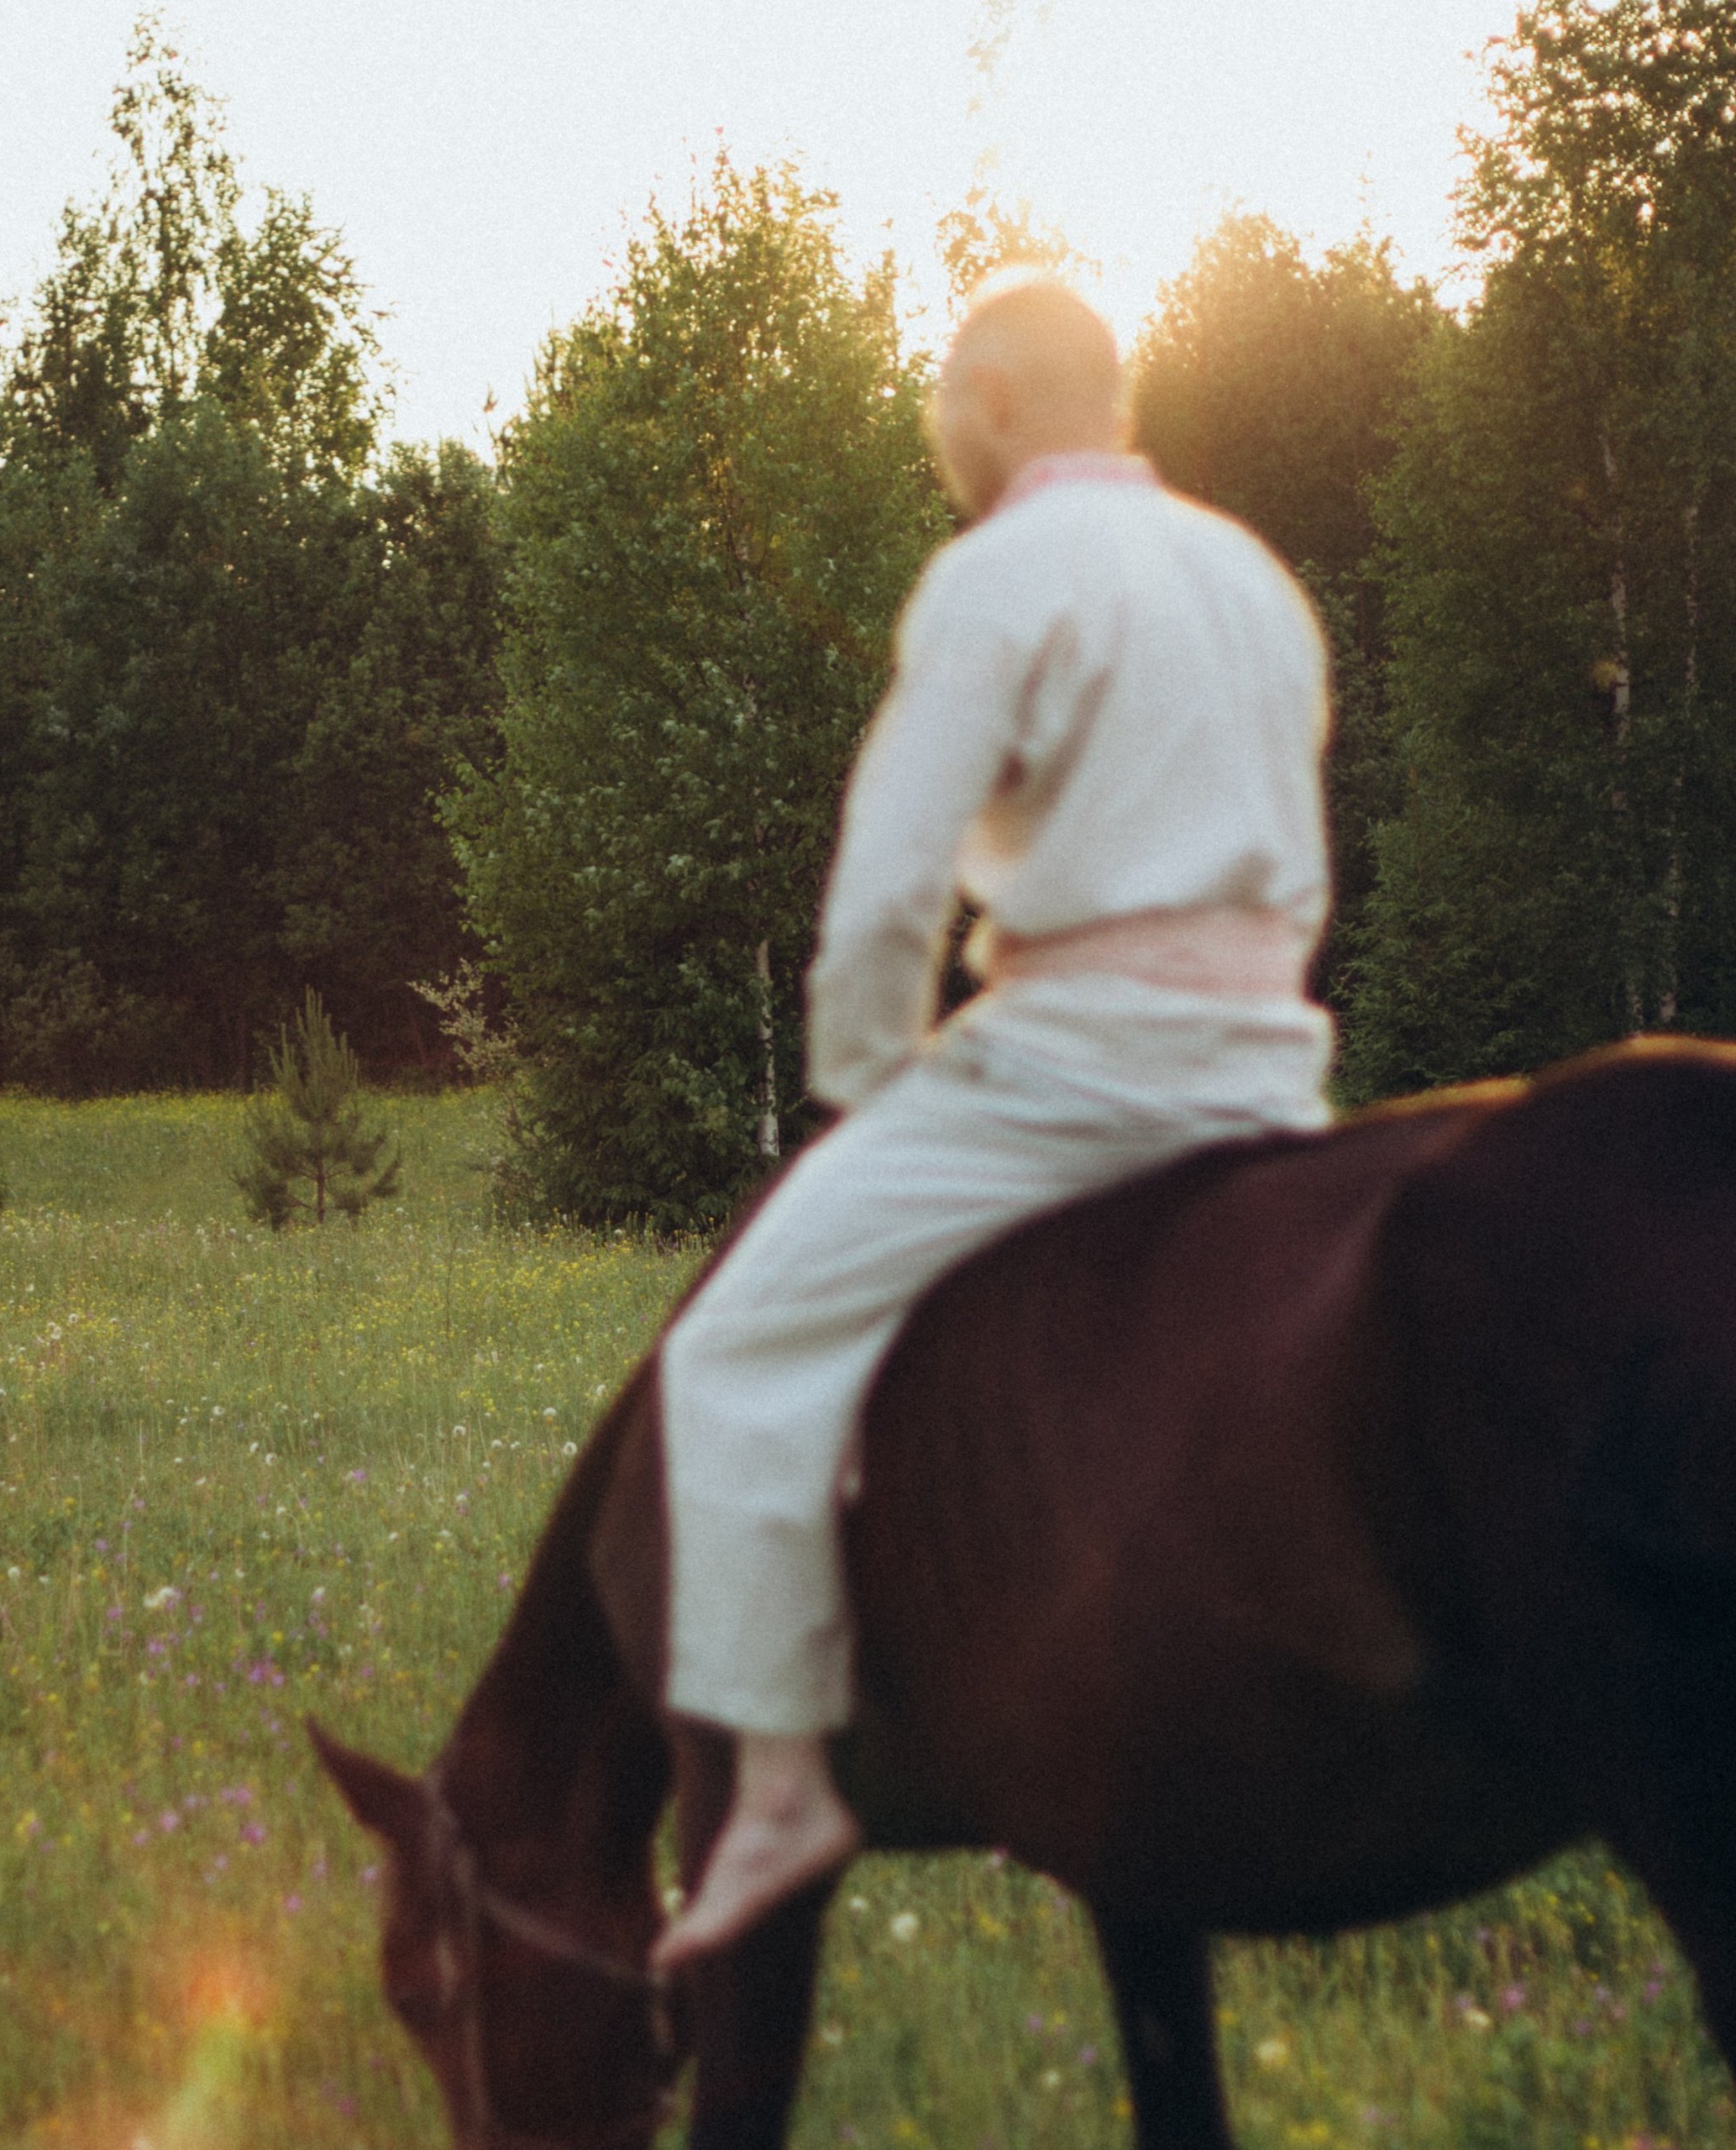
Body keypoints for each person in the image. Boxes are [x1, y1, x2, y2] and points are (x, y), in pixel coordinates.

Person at [650, 277, 1336, 1973]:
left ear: (992, 402)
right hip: (1264, 1067)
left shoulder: (996, 575)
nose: (940, 447)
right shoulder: (1250, 577)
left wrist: (867, 1085)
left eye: (942, 416)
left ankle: (784, 1785)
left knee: (729, 1349)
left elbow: (887, 888)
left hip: (1074, 1065)